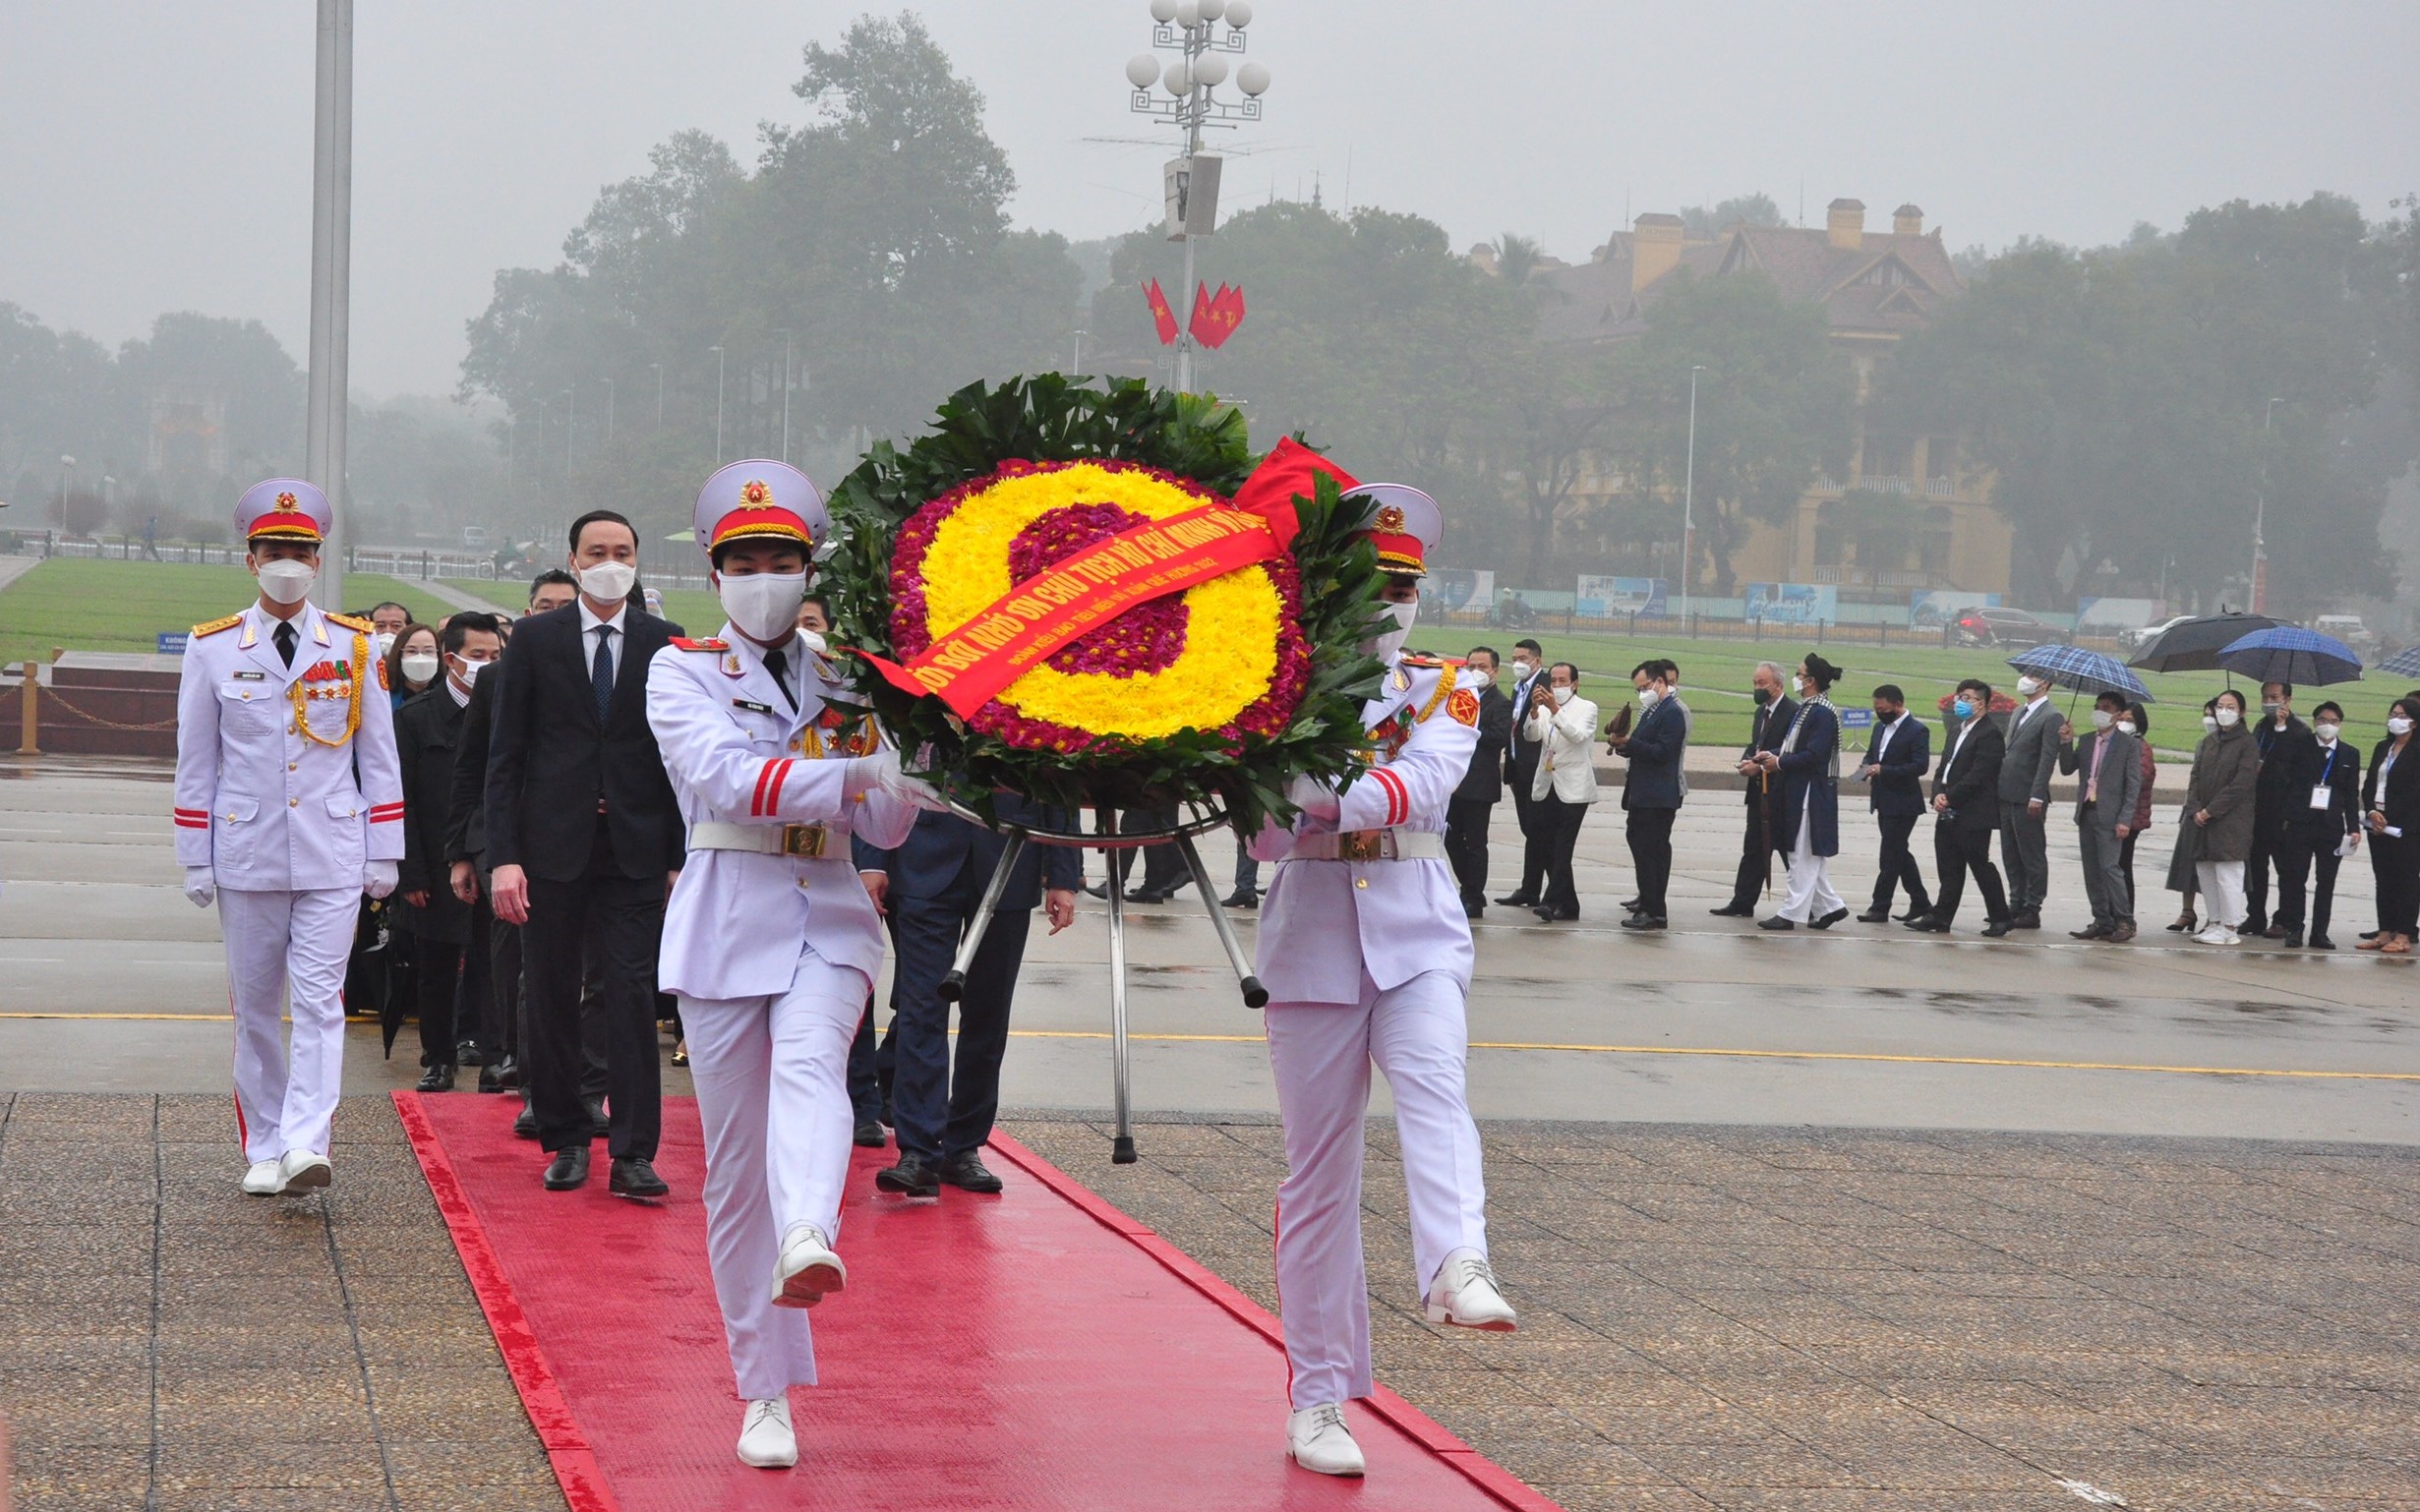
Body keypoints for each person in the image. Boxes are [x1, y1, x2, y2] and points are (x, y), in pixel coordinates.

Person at [646, 460, 939, 1469]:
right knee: (733, 1179)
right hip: (728, 914)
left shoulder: (853, 675)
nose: (763, 575)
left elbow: (889, 822)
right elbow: (725, 778)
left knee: (815, 1061)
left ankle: (811, 1229)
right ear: (716, 570)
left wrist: (921, 742)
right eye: (745, 560)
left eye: (781, 559)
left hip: (828, 907)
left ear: (807, 566)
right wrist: (858, 770)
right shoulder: (679, 669)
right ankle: (763, 1389)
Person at [1246, 482, 1513, 1480]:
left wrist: (1301, 777)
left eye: (1401, 583)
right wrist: (1290, 774)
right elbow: (1267, 829)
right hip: (1312, 939)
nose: (1387, 600)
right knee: (1318, 1178)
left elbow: (1414, 788)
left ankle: (1457, 1260)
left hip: (1418, 929)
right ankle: (1317, 1392)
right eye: (1368, 579)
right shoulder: (1274, 687)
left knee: (1436, 1083)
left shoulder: (1449, 688)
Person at [173, 480, 401, 1193]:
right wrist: (194, 855)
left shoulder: (356, 645)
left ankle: (307, 1141)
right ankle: (265, 1145)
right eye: (275, 550)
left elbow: (380, 757)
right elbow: (196, 760)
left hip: (333, 851)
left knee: (320, 1002)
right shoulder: (212, 647)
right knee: (257, 1010)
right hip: (247, 852)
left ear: (318, 559)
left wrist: (385, 849)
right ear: (250, 559)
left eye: (301, 551)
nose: (288, 562)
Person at [486, 510, 685, 1196]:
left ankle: (633, 1151)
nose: (610, 561)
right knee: (549, 994)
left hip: (634, 848)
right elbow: (505, 754)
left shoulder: (668, 643)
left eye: (622, 551)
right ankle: (566, 1135)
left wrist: (678, 854)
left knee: (631, 998)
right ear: (572, 561)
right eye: (596, 551)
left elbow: (678, 759)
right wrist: (502, 856)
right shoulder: (537, 640)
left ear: (638, 560)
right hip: (550, 849)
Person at [853, 802, 1079, 1195]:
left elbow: (1057, 783)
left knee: (988, 1015)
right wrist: (874, 859)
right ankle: (918, 1151)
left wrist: (1064, 876)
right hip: (922, 856)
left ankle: (963, 1148)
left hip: (1009, 861)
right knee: (921, 1009)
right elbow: (889, 771)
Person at [448, 570, 581, 1102]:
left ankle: (560, 1069)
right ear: (527, 614)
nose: (551, 612)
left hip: (572, 836)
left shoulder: (603, 674)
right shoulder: (494, 679)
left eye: (562, 605)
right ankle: (510, 1055)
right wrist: (460, 852)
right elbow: (473, 768)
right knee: (510, 954)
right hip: (505, 838)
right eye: (543, 604)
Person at [393, 612, 503, 1090]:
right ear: (450, 659)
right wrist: (412, 873)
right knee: (436, 965)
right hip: (436, 863)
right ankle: (438, 1057)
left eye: (496, 656)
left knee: (493, 963)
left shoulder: (507, 710)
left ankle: (493, 1054)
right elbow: (405, 800)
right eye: (478, 656)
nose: (487, 665)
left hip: (491, 856)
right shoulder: (416, 718)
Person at [1908, 677, 2010, 936]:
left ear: (1982, 703)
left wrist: (1950, 797)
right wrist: (1937, 794)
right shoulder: (1956, 730)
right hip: (1948, 810)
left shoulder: (1990, 734)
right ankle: (1941, 916)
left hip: (1973, 812)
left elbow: (1979, 775)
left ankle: (2000, 916)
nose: (1960, 702)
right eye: (1959, 697)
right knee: (1949, 866)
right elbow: (1944, 768)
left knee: (1979, 865)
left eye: (1967, 698)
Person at [1754, 654, 1846, 930]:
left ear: (1811, 680)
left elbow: (1814, 755)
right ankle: (1831, 907)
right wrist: (1767, 756)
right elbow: (1791, 746)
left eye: (1800, 673)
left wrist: (1778, 762)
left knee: (1801, 856)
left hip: (1811, 792)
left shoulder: (1822, 712)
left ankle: (1791, 913)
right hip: (1799, 788)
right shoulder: (1808, 708)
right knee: (1807, 856)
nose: (1796, 677)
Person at [2056, 691, 2146, 941]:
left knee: (2110, 868)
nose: (2100, 712)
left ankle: (2125, 920)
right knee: (2091, 870)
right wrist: (2065, 742)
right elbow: (2067, 768)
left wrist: (2125, 819)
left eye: (2105, 708)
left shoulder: (2128, 745)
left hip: (2111, 815)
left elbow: (2133, 785)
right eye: (2097, 707)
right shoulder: (2086, 741)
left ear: (2117, 714)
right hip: (2087, 812)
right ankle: (2101, 919)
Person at [2276, 699, 2362, 950]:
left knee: (2326, 882)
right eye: (2323, 721)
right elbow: (2282, 765)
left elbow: (2350, 794)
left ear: (2340, 724)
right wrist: (2281, 726)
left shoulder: (2349, 753)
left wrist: (2353, 827)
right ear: (2315, 722)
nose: (2327, 726)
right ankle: (2295, 928)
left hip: (2331, 826)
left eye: (2333, 722)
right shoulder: (2300, 746)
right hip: (2301, 823)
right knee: (2295, 878)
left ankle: (2320, 933)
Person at [1712, 662, 1795, 917]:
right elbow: (1756, 744)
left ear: (1778, 685)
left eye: (1762, 683)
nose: (1757, 688)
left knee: (1786, 851)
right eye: (1754, 683)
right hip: (1758, 791)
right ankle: (1743, 901)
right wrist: (1748, 759)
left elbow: (1790, 749)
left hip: (1780, 791)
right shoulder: (1762, 712)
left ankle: (1811, 904)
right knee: (1754, 848)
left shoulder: (1793, 712)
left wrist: (1762, 766)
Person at [1610, 658, 1684, 929]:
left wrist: (1633, 743)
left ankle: (1655, 911)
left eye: (1645, 686)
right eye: (1638, 689)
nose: (1642, 693)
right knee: (1640, 847)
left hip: (1658, 796)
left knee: (1652, 852)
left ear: (1660, 682)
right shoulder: (1653, 711)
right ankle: (1647, 903)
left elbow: (1664, 752)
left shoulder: (1672, 713)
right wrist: (1623, 745)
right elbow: (1643, 746)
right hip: (1642, 793)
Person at [1522, 662, 1598, 922]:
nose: (1557, 686)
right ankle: (1570, 904)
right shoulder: (1543, 710)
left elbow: (1578, 736)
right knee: (1546, 847)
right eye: (1553, 681)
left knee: (1564, 846)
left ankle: (1550, 901)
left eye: (1563, 681)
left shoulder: (1587, 708)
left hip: (1574, 787)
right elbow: (1532, 737)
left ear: (1575, 683)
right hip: (1547, 783)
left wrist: (1555, 709)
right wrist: (1534, 711)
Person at [2184, 688, 2260, 946]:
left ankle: (2229, 926)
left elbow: (2241, 784)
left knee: (2228, 873)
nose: (2223, 712)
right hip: (2202, 820)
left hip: (2230, 821)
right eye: (2220, 706)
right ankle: (2214, 921)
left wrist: (2210, 810)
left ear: (2241, 712)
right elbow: (2195, 777)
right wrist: (2195, 808)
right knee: (2206, 871)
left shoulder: (2247, 743)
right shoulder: (2209, 742)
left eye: (2230, 707)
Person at [1443, 646, 1511, 918]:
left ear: (1494, 671)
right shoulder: (1457, 697)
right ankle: (1468, 887)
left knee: (1475, 842)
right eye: (1472, 665)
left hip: (1480, 783)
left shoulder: (1501, 703)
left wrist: (1469, 727)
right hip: (1454, 781)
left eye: (1483, 667)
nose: (1476, 671)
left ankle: (1473, 895)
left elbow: (1499, 738)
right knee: (1450, 838)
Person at [1856, 683, 1931, 923]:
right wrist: (1864, 769)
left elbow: (1920, 766)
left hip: (1904, 802)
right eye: (1876, 708)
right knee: (1899, 853)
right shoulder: (1880, 728)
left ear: (1898, 705)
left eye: (1883, 708)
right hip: (1883, 800)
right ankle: (1921, 902)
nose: (1879, 713)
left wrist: (1884, 770)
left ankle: (1880, 906)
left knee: (1889, 855)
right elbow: (1872, 755)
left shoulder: (1917, 730)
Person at [2243, 681, 2311, 937]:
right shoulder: (2262, 726)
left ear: (2287, 700)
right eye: (2265, 697)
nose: (2269, 702)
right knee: (2256, 868)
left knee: (2287, 872)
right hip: (2257, 809)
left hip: (2283, 813)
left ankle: (2283, 919)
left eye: (2274, 697)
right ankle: (2255, 916)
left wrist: (2281, 730)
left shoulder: (2299, 731)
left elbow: (2291, 769)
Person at [1995, 670, 2062, 929]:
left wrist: (2037, 794)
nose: (2026, 679)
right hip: (2007, 792)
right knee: (2010, 852)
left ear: (2045, 683)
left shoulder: (2051, 716)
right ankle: (2016, 902)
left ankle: (2032, 907)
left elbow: (2046, 760)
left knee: (2031, 854)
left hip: (2028, 796)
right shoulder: (2017, 712)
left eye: (2033, 676)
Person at [2358, 698, 2418, 956]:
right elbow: (2370, 783)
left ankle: (2403, 934)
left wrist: (2389, 815)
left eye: (2402, 715)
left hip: (2406, 827)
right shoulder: (2383, 747)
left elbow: (2414, 791)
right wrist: (2372, 811)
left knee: (2405, 880)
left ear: (2414, 722)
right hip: (2377, 825)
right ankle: (2384, 932)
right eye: (2393, 714)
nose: (2396, 719)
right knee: (2383, 880)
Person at [1493, 639, 1550, 907]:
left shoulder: (1546, 687)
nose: (1518, 663)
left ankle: (1552, 890)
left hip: (1538, 771)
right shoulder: (1519, 687)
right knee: (1531, 830)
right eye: (1515, 657)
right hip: (1519, 770)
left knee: (1539, 831)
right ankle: (1530, 888)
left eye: (1523, 658)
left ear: (1537, 661)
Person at [2165, 699, 2220, 934]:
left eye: (2213, 714)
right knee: (2188, 862)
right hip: (2194, 810)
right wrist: (2192, 808)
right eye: (2205, 713)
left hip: (2218, 813)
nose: (2208, 719)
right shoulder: (2203, 744)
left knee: (2214, 868)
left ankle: (2215, 916)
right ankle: (2187, 911)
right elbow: (2194, 777)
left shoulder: (2238, 745)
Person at [2118, 702, 2156, 920]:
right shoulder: (2120, 744)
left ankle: (2125, 915)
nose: (2124, 723)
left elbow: (2137, 780)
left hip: (2131, 818)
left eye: (2129, 720)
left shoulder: (2141, 748)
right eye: (2121, 719)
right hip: (2118, 814)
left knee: (2122, 866)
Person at [387, 623, 440, 706]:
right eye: (411, 651)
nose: (420, 659)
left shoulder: (448, 697)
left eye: (428, 651)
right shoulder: (385, 697)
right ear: (399, 655)